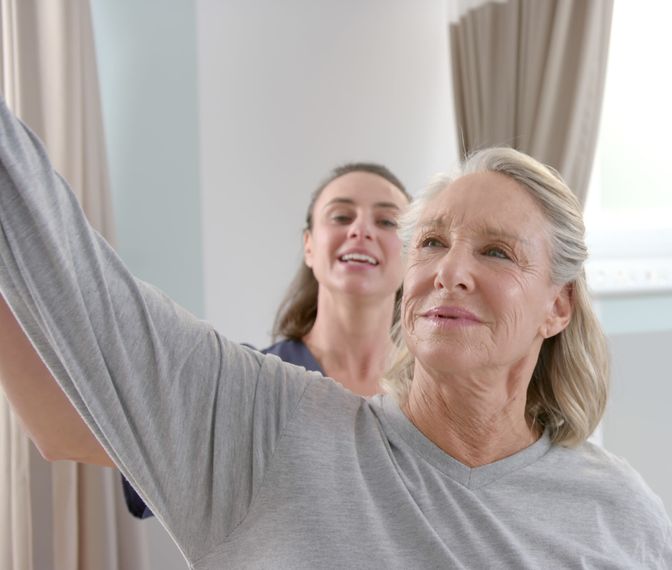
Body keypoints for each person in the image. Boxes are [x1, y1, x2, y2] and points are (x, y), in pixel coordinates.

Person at [0, 99, 672, 567]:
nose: (450, 270)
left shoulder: (617, 513)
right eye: (434, 242)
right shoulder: (265, 423)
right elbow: (77, 291)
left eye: (497, 252)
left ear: (557, 307)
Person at [0, 161, 411, 519]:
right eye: (341, 217)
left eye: (387, 221)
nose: (361, 230)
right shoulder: (247, 385)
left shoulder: (440, 399)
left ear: (413, 255)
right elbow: (66, 433)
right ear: (308, 245)